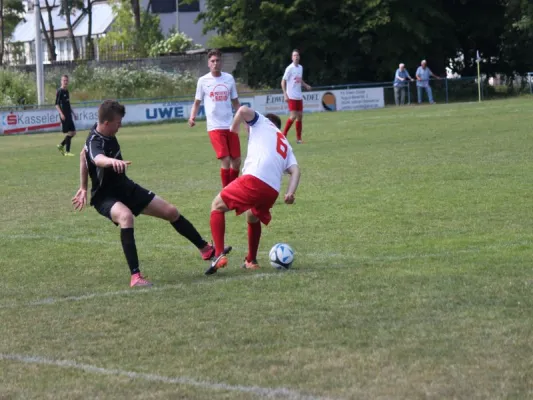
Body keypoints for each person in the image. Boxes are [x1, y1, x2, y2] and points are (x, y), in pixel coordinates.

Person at [72, 100, 225, 287]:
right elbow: (97, 158)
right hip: (105, 197)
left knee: (171, 212)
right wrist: (111, 162)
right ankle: (135, 277)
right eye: (118, 123)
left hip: (126, 188)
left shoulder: (102, 131)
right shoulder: (95, 140)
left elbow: (82, 155)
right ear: (106, 123)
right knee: (126, 217)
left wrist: (83, 187)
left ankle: (206, 250)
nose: (120, 126)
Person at [205, 105, 301, 276]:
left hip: (255, 179)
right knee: (252, 216)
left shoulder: (261, 122)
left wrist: (233, 130)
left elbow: (242, 110)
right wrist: (290, 192)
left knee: (217, 205)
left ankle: (218, 254)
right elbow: (295, 170)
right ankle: (251, 260)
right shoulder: (285, 142)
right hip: (272, 191)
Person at [188, 49, 242, 188]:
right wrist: (192, 117)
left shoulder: (229, 78)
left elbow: (235, 101)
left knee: (236, 161)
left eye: (217, 60)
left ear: (221, 62)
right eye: (212, 61)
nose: (215, 63)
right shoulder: (203, 81)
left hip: (231, 125)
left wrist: (244, 118)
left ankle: (232, 190)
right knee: (226, 159)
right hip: (215, 126)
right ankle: (227, 193)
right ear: (208, 63)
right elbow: (197, 102)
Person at [281, 49, 311, 144]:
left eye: (297, 55)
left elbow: (299, 80)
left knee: (300, 117)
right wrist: (285, 94)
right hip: (292, 96)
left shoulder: (300, 68)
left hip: (299, 96)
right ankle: (283, 135)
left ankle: (298, 139)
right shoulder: (289, 68)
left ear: (299, 57)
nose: (296, 57)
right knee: (293, 116)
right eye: (294, 55)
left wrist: (305, 85)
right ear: (292, 57)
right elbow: (283, 81)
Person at [56, 75, 77, 156]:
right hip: (64, 115)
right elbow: (57, 104)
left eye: (67, 80)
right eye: (64, 80)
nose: (65, 82)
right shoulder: (59, 91)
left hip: (69, 115)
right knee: (69, 132)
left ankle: (61, 145)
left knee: (73, 132)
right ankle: (67, 152)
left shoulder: (66, 91)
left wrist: (73, 113)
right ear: (61, 81)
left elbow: (68, 104)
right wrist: (61, 114)